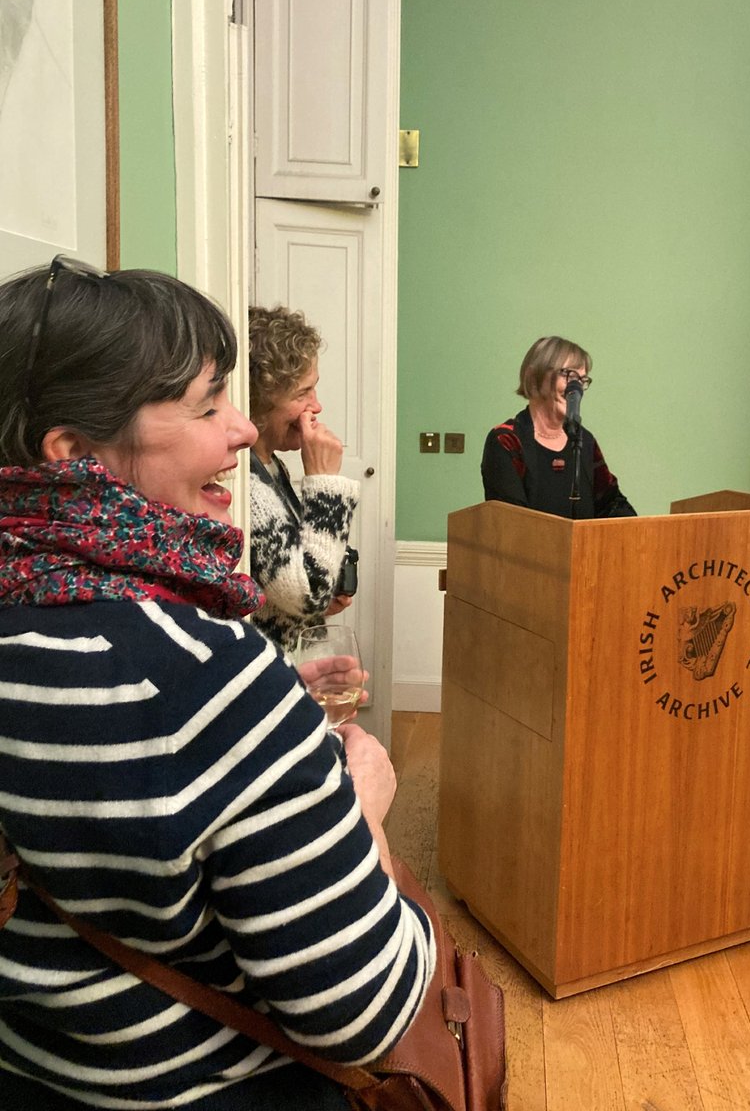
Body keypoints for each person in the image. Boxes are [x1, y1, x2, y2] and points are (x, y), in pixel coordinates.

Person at [0, 258, 434, 1110]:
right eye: (205, 406)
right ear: (76, 455)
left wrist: (261, 735)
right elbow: (367, 1013)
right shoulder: (204, 675)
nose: (239, 430)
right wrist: (361, 809)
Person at [248, 305, 359, 655]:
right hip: (265, 673)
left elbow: (293, 581)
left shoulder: (271, 466)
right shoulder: (245, 483)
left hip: (291, 665)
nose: (317, 406)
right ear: (259, 401)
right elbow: (310, 593)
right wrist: (324, 480)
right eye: (302, 393)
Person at [481, 334, 636, 519]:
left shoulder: (584, 441)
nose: (575, 388)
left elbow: (611, 503)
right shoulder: (507, 440)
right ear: (533, 376)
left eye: (581, 380)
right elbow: (512, 522)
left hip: (585, 548)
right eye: (568, 375)